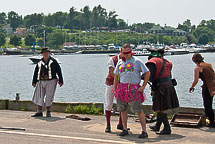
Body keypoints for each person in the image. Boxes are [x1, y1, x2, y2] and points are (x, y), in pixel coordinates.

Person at [113, 44, 150, 138]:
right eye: (124, 53)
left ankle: (144, 131)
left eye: (128, 53)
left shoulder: (137, 61)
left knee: (138, 110)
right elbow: (116, 76)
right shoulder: (120, 62)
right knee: (122, 110)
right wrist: (115, 88)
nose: (126, 55)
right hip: (122, 89)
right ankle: (125, 128)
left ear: (131, 52)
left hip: (133, 89)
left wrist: (143, 86)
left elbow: (147, 72)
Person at [146, 48, 179, 135]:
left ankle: (167, 128)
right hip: (168, 86)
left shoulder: (152, 62)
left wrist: (142, 77)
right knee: (160, 107)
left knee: (160, 108)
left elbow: (150, 76)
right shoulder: (167, 62)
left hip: (160, 87)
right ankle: (157, 126)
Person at [31, 48, 63, 117]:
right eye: (44, 53)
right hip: (40, 81)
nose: (46, 54)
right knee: (39, 96)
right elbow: (36, 72)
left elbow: (59, 71)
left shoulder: (54, 62)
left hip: (51, 81)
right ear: (42, 54)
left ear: (49, 53)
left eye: (47, 53)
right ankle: (39, 112)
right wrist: (34, 81)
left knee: (49, 96)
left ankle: (48, 111)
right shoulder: (39, 62)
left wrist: (61, 80)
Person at [189, 53, 215, 127]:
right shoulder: (208, 65)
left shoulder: (198, 67)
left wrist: (192, 87)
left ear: (194, 60)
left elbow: (196, 80)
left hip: (208, 87)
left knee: (207, 105)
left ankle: (212, 122)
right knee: (209, 103)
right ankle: (211, 120)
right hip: (213, 85)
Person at [104, 51, 123, 133]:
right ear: (121, 52)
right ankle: (108, 125)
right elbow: (112, 72)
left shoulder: (129, 60)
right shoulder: (112, 59)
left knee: (122, 103)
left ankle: (121, 124)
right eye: (124, 52)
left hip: (122, 84)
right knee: (109, 104)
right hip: (111, 83)